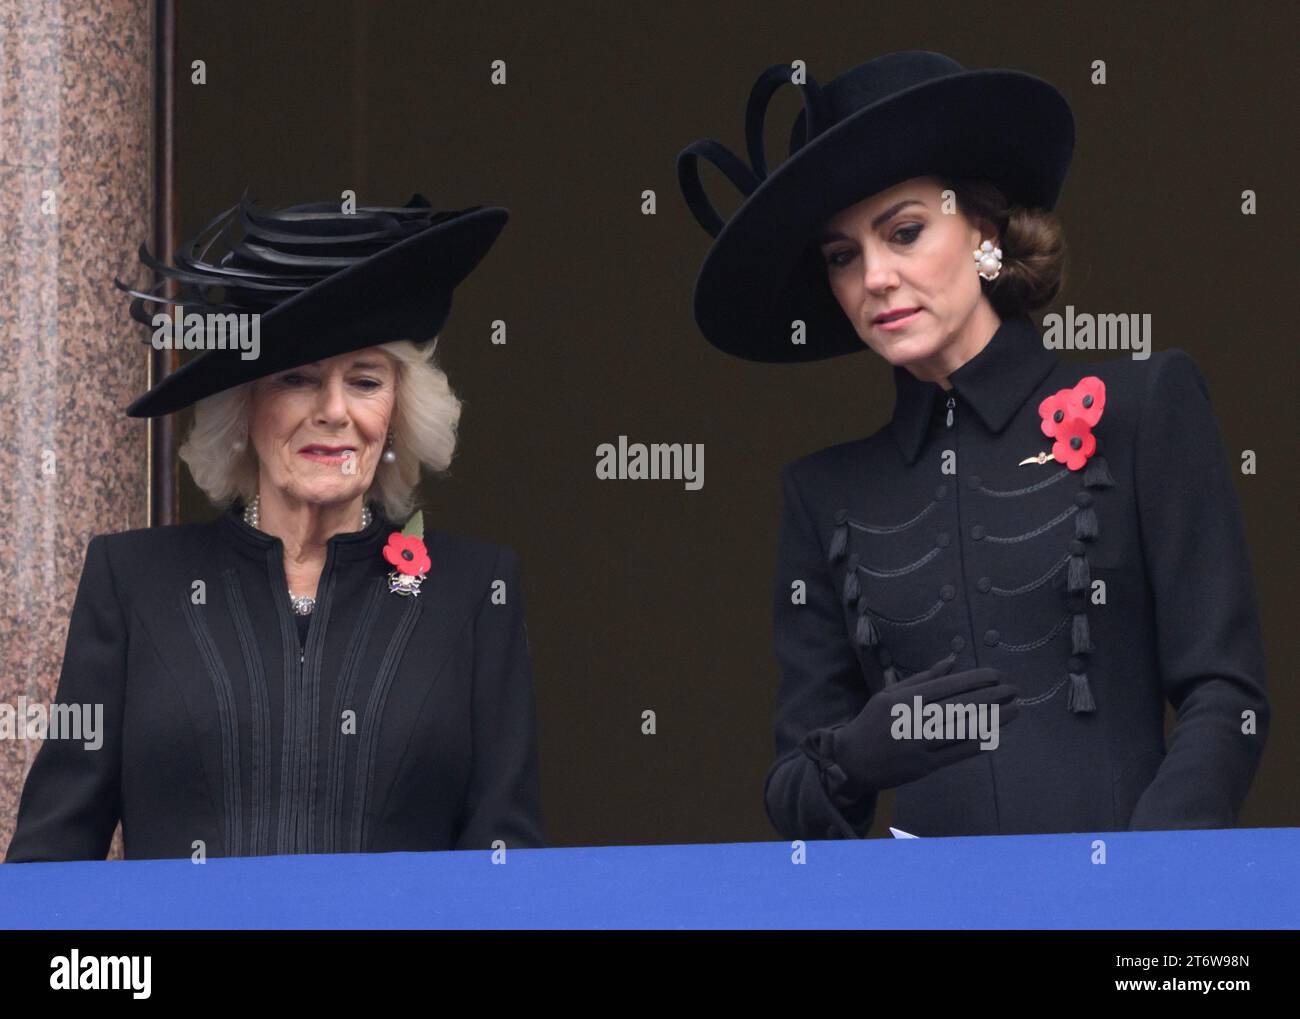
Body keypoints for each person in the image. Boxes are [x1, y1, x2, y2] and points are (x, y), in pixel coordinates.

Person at [677, 52, 1268, 837]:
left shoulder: (1145, 406)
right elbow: (794, 791)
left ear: (984, 231)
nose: (875, 277)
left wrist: (1143, 885)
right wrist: (856, 754)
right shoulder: (823, 492)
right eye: (843, 255)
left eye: (905, 231)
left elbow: (1226, 696)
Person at [7, 194, 545, 861]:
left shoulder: (474, 592)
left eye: (366, 380)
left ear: (399, 411)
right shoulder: (135, 582)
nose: (334, 411)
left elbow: (507, 863)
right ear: (245, 403)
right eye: (298, 378)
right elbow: (50, 860)